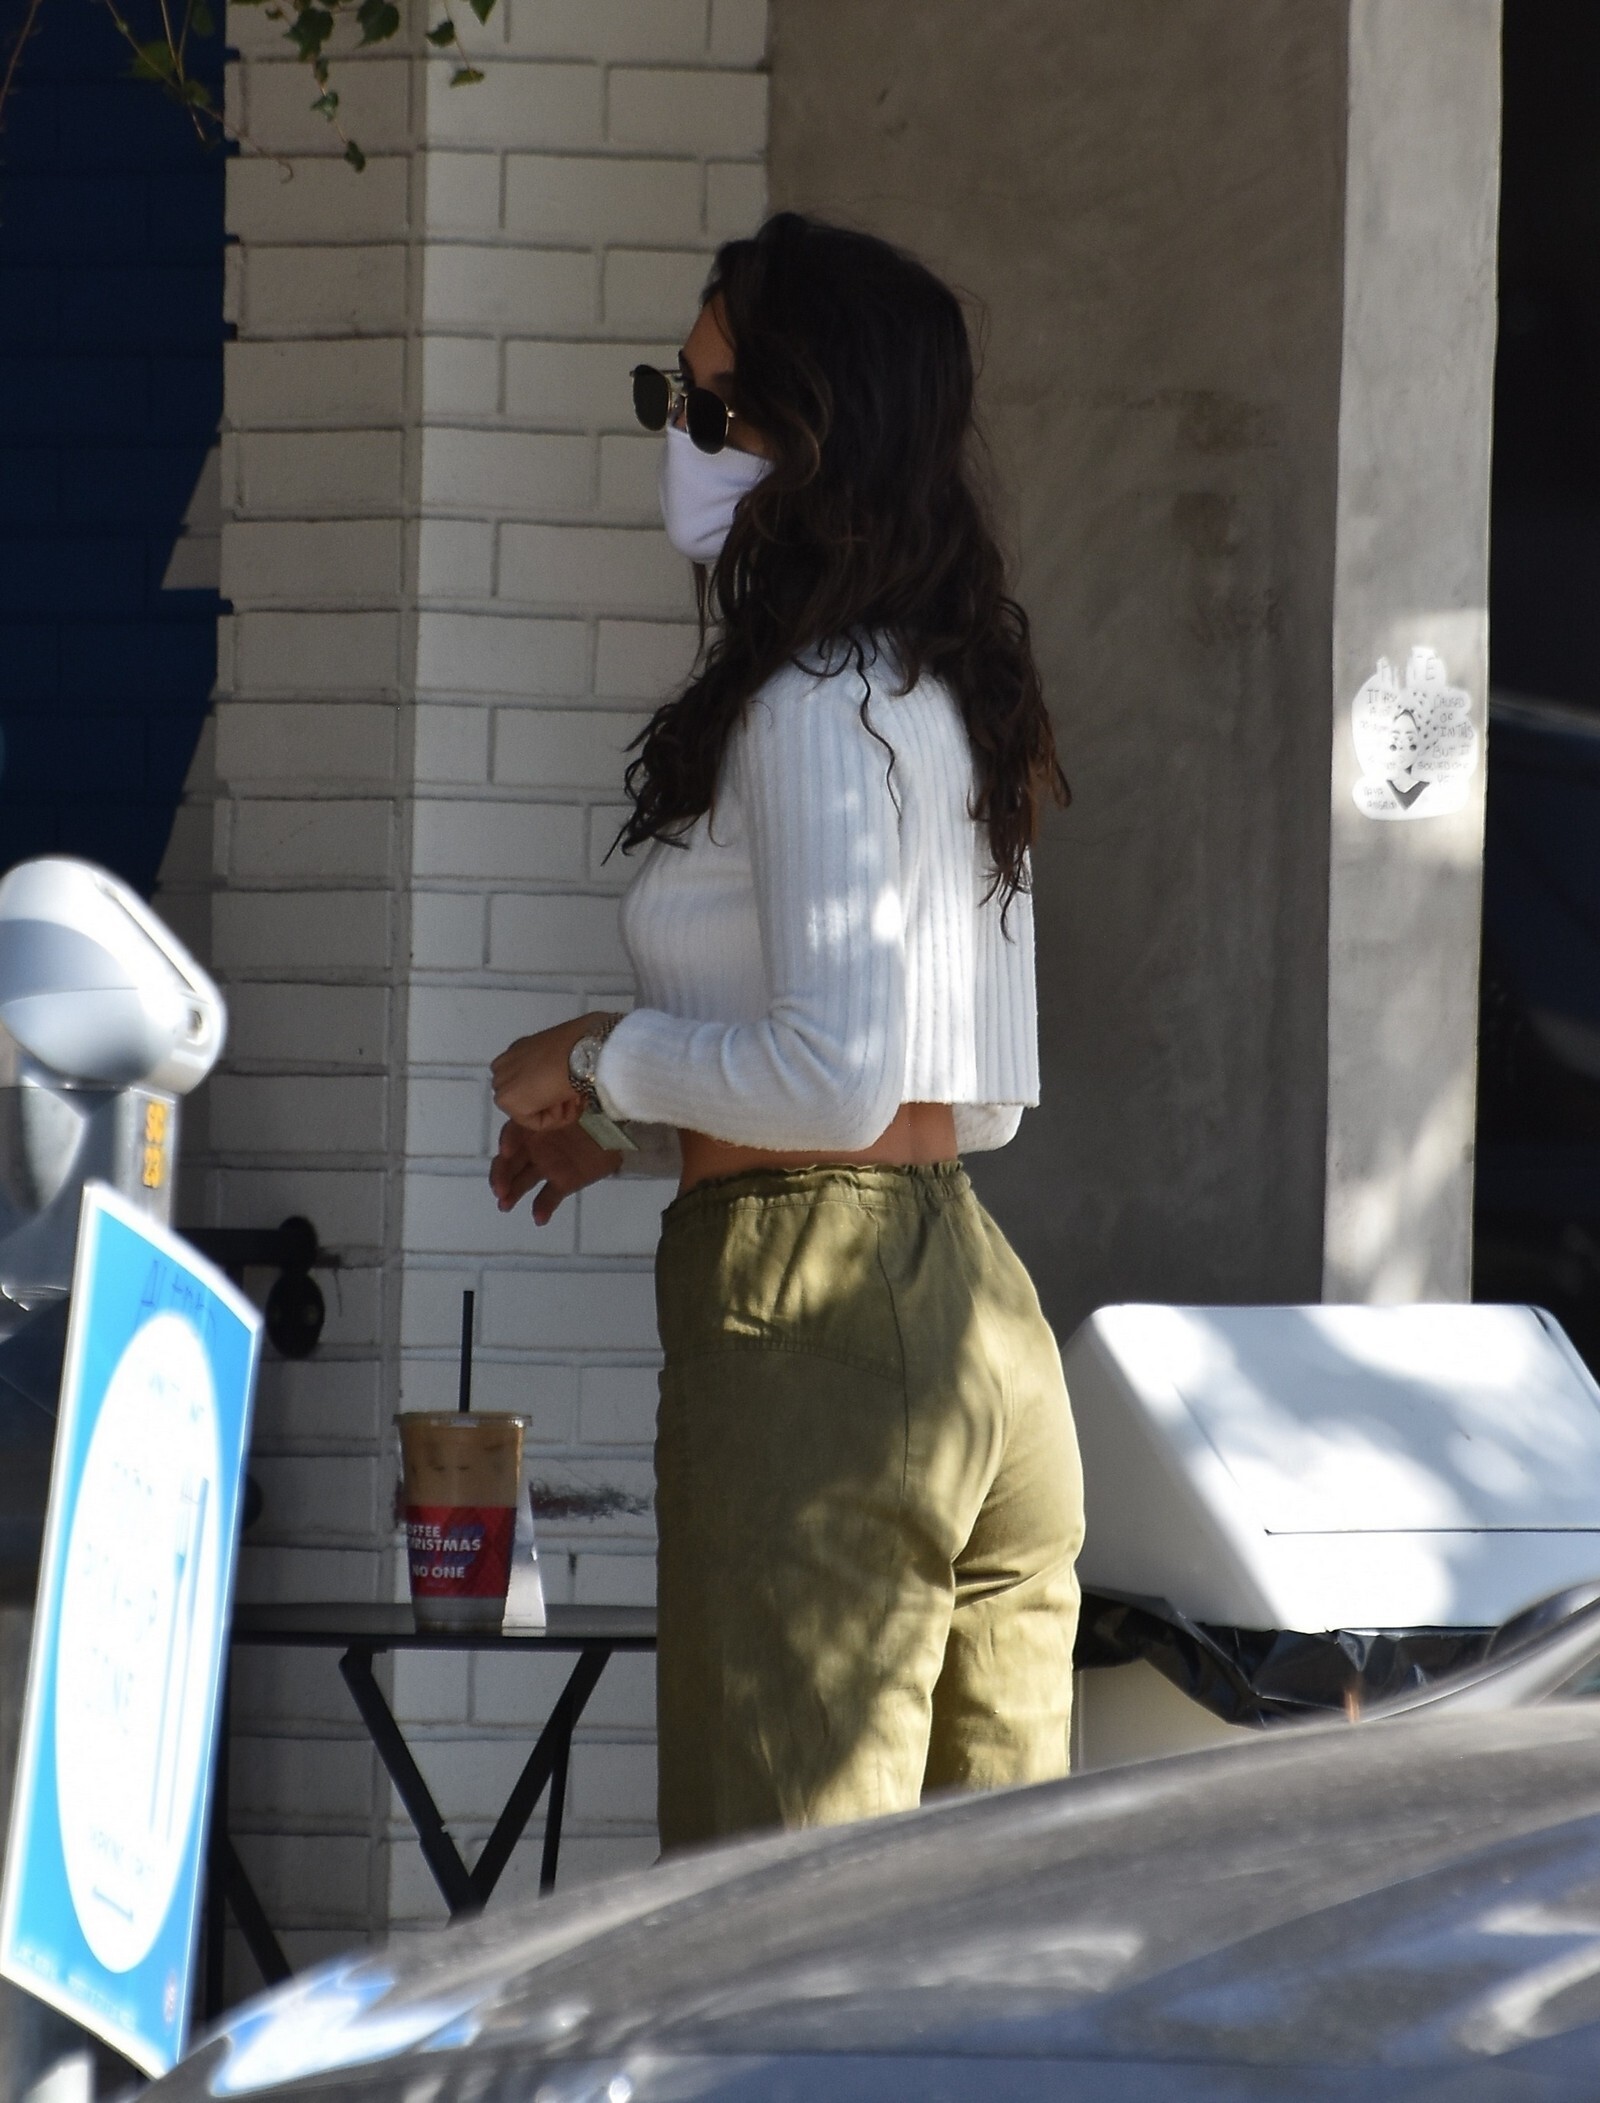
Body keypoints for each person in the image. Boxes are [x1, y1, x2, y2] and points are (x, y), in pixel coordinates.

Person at [488, 212, 1084, 1853]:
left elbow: (833, 1077)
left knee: (780, 1920)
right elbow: (963, 1099)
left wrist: (600, 1055)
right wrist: (634, 1130)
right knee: (976, 1937)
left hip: (814, 1324)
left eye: (707, 406)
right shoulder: (944, 693)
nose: (679, 438)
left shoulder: (817, 706)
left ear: (811, 438)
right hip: (978, 1318)